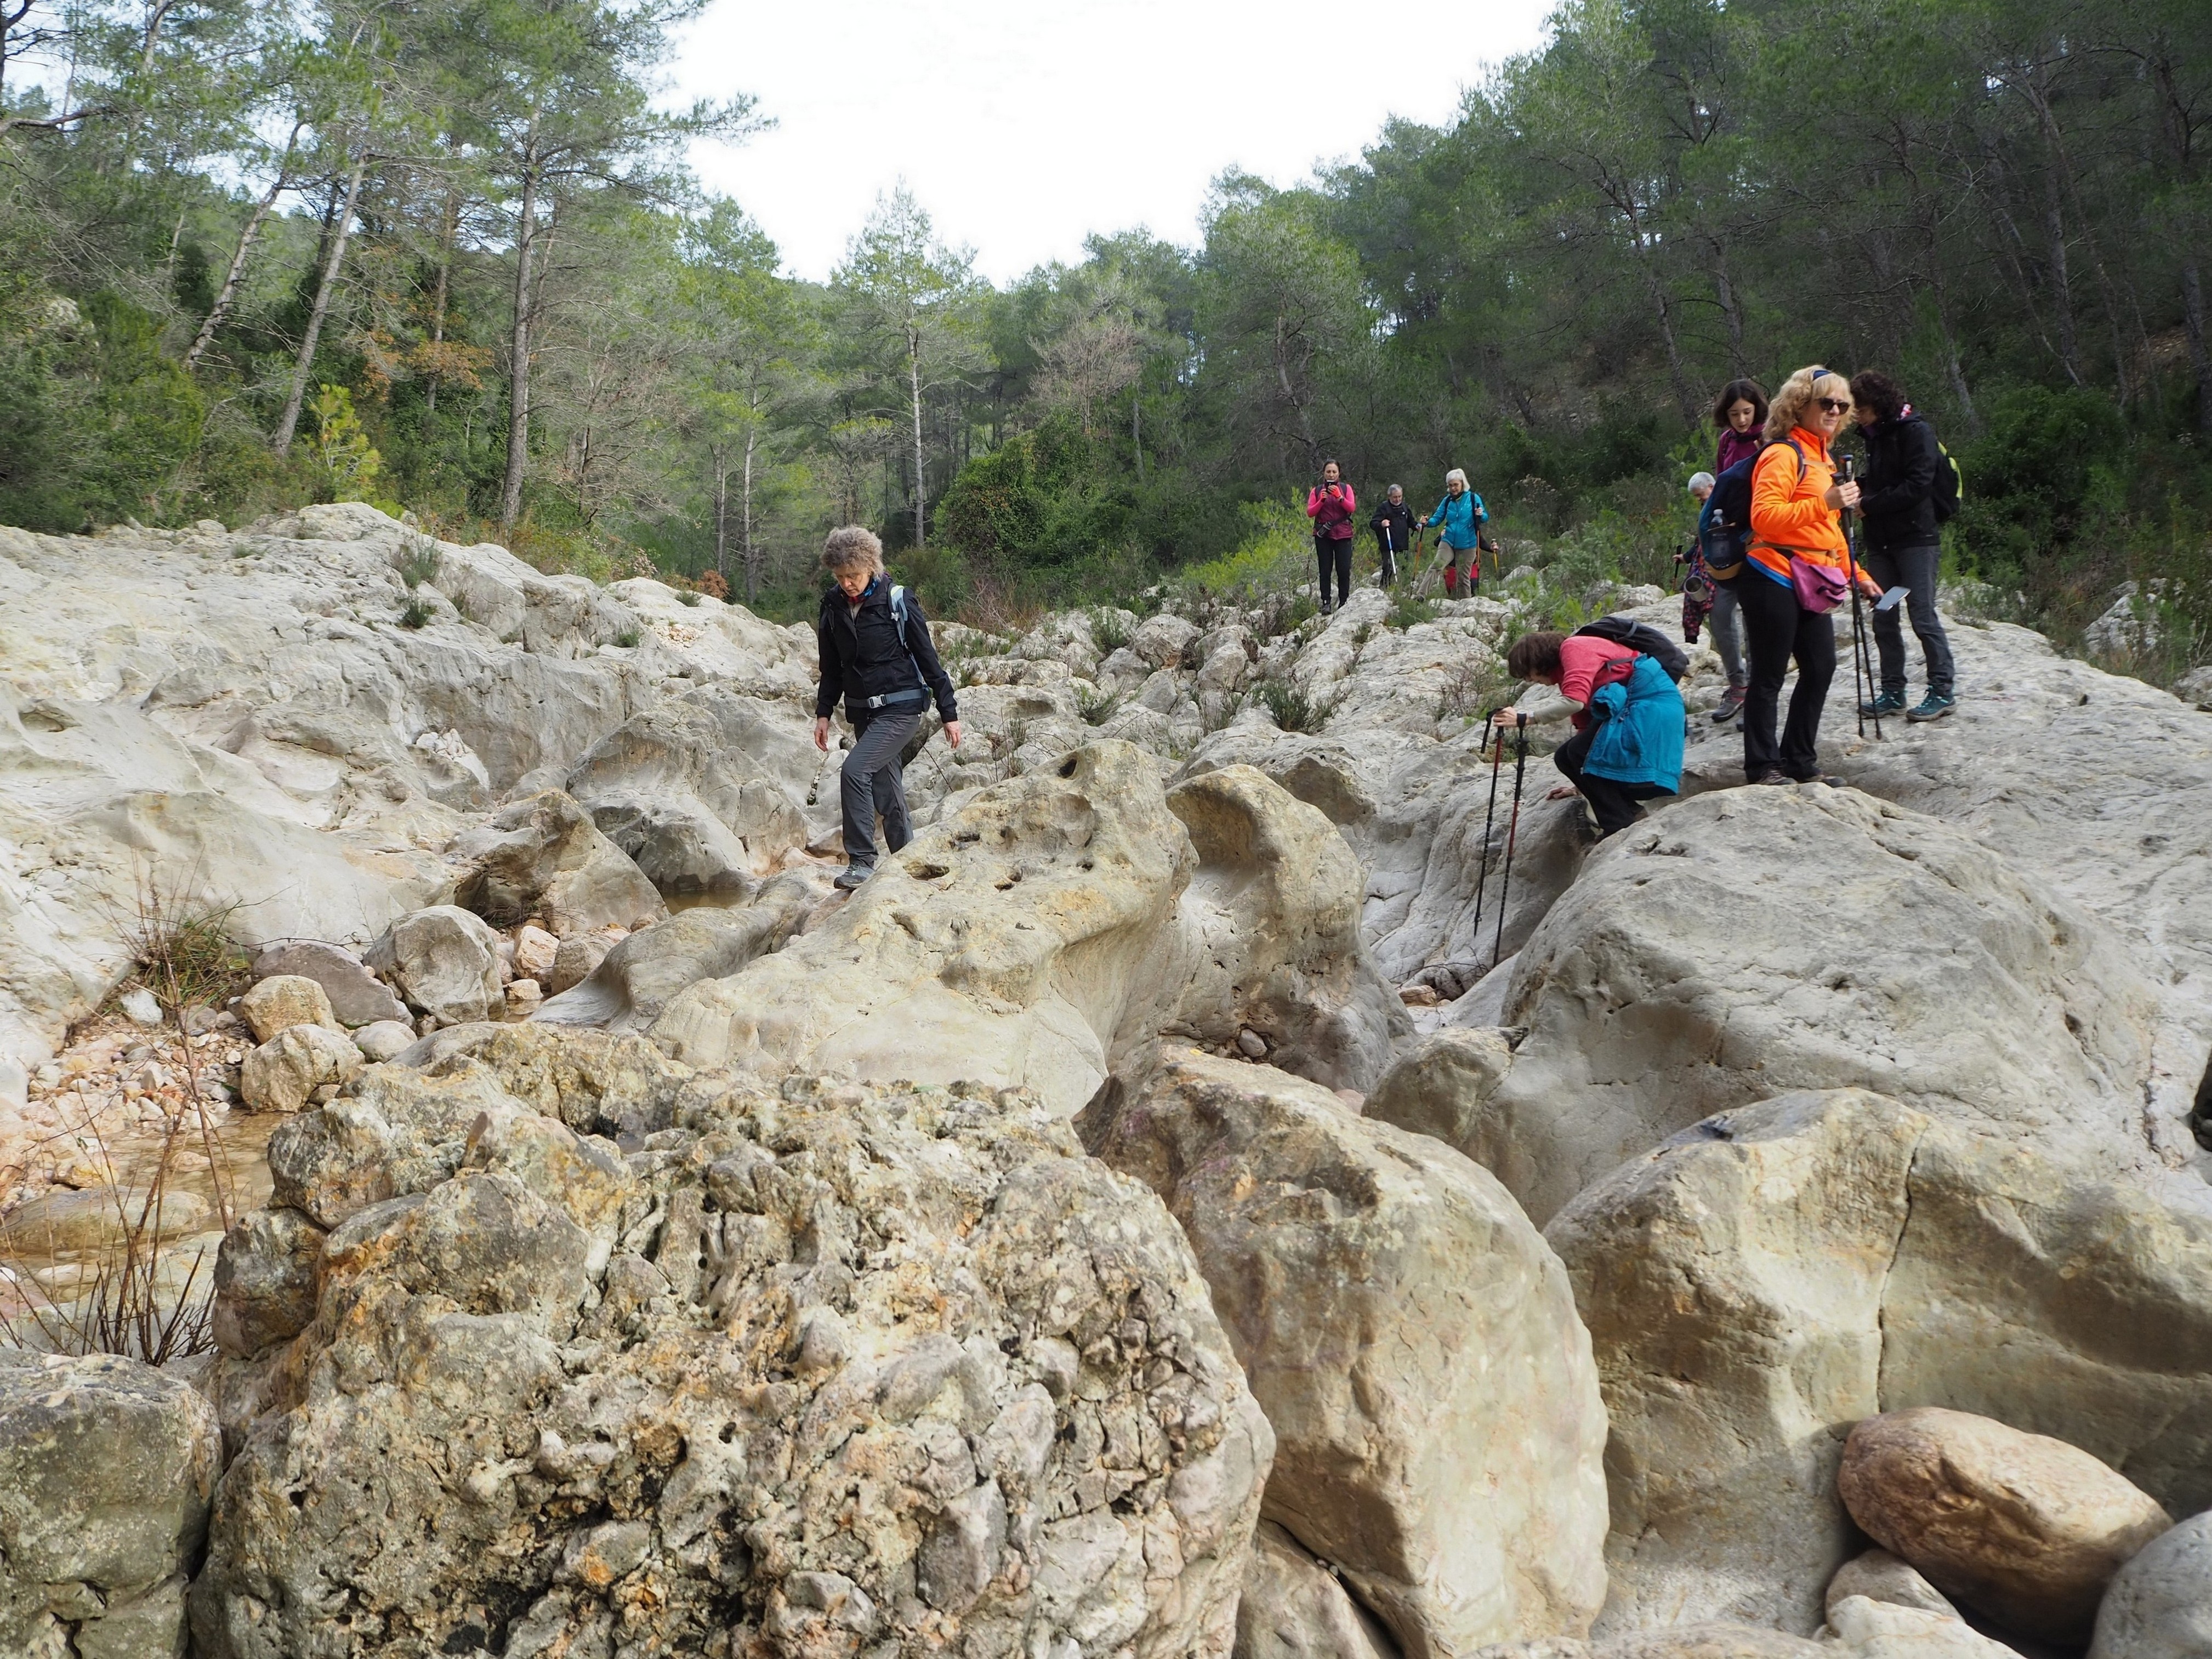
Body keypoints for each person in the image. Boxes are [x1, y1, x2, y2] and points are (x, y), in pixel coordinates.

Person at [1738, 366, 1881, 786]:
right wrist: (1826, 501)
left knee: (1820, 667)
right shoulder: (1782, 454)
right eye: (1826, 403)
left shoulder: (1823, 458)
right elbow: (1764, 518)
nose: (1835, 410)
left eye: (1842, 405)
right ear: (1800, 405)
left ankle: (1799, 761)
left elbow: (1828, 532)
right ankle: (1762, 767)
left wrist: (1857, 574)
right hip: (1771, 573)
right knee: (1768, 674)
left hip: (1810, 575)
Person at [812, 525, 962, 890]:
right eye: (840, 576)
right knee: (886, 787)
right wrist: (823, 713)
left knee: (854, 771)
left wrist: (949, 712)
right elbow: (831, 668)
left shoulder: (898, 600)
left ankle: (862, 862)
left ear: (871, 567)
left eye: (854, 575)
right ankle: (908, 862)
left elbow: (928, 659)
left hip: (902, 707)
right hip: (863, 711)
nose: (847, 583)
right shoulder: (832, 606)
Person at [1499, 628, 1684, 838]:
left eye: (1528, 673)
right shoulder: (1565, 672)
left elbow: (1574, 702)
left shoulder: (1573, 648)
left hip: (1650, 704)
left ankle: (1618, 824)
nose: (1530, 680)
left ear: (1538, 661)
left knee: (1578, 751)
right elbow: (1585, 726)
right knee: (1565, 756)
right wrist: (1581, 784)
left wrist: (1526, 718)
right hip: (1635, 705)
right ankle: (1629, 811)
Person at [1849, 370, 1957, 722]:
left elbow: (1918, 485)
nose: (1856, 416)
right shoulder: (1876, 436)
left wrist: (1870, 504)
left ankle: (1942, 691)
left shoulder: (1916, 431)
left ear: (1878, 405)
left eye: (1861, 409)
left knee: (1922, 615)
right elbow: (1884, 480)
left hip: (1916, 543)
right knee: (1885, 614)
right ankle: (1893, 691)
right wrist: (1856, 487)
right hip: (1883, 546)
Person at [1688, 470, 1749, 724]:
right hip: (1722, 570)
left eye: (1701, 495)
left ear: (1712, 486)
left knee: (1753, 624)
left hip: (1752, 562)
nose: (1700, 500)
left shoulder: (1743, 487)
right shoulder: (1711, 504)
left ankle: (1756, 689)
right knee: (1720, 620)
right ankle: (1739, 685)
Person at [1306, 459, 1358, 613]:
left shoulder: (1346, 489)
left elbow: (1351, 508)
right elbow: (1310, 512)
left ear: (1339, 473)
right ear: (1324, 473)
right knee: (1325, 570)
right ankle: (1326, 602)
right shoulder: (1316, 491)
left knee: (1344, 569)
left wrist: (1340, 497)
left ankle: (1344, 601)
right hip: (1324, 535)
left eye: (1334, 472)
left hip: (1343, 534)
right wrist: (1321, 501)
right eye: (1328, 472)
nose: (1331, 474)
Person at [1425, 468, 1487, 595]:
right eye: (1450, 485)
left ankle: (1465, 603)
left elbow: (1485, 518)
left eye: (1456, 485)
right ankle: (1420, 596)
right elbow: (1437, 518)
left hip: (1467, 544)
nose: (1453, 488)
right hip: (1448, 541)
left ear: (1462, 483)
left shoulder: (1473, 498)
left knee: (1463, 578)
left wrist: (1481, 514)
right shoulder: (1447, 500)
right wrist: (1427, 522)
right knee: (1436, 566)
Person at [1712, 377, 1769, 476]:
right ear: (1726, 414)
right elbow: (1721, 479)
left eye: (1747, 412)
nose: (1742, 420)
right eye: (1734, 414)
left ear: (1756, 409)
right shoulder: (1726, 440)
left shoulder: (1767, 436)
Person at [1370, 484, 1415, 586]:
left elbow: (1411, 522)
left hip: (1403, 543)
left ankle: (1404, 588)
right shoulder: (1384, 508)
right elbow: (1373, 523)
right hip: (1388, 544)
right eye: (1395, 497)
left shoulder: (1404, 507)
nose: (1398, 499)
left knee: (1405, 567)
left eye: (1400, 496)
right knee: (1388, 567)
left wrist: (1417, 526)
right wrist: (1382, 524)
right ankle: (1384, 588)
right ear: (1389, 496)